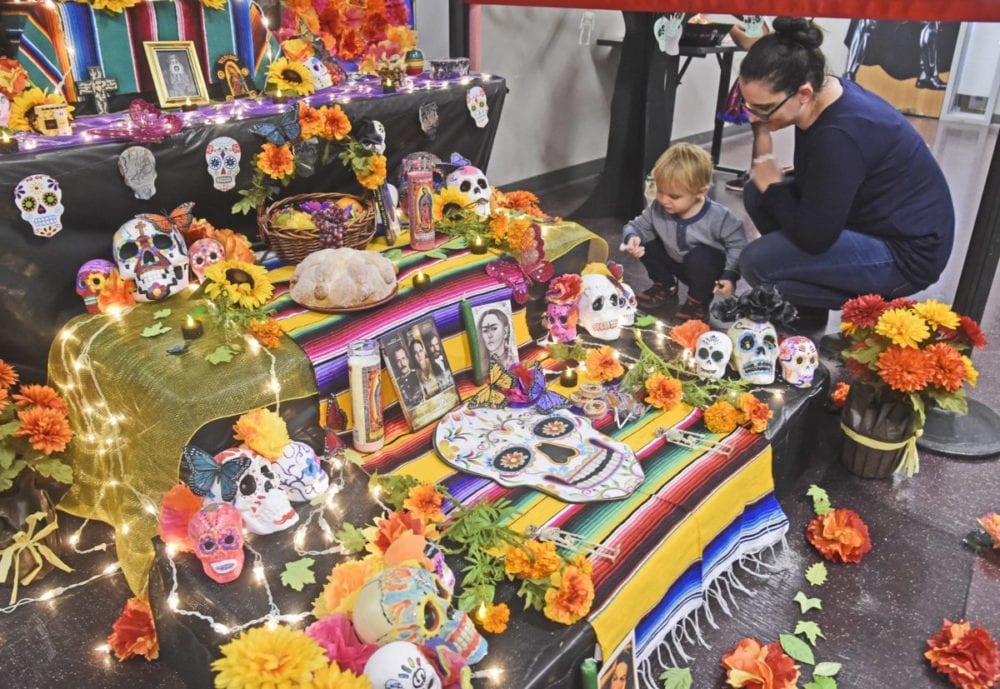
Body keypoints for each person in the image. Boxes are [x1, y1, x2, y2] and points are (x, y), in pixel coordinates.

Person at [737, 17, 954, 328]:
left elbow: (815, 238)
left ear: (804, 93)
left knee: (759, 262)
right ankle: (807, 304)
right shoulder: (827, 96)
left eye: (762, 108)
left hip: (906, 255)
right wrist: (775, 177)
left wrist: (775, 186)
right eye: (748, 103)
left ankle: (801, 306)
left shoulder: (839, 135)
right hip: (873, 217)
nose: (752, 114)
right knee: (758, 192)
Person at [622, 142, 747, 321]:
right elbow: (636, 225)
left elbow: (739, 246)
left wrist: (730, 275)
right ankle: (665, 284)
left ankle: (698, 300)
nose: (664, 200)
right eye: (660, 191)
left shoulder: (719, 217)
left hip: (705, 271)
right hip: (674, 260)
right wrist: (632, 237)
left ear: (700, 191)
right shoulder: (658, 208)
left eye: (674, 196)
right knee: (644, 237)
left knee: (702, 256)